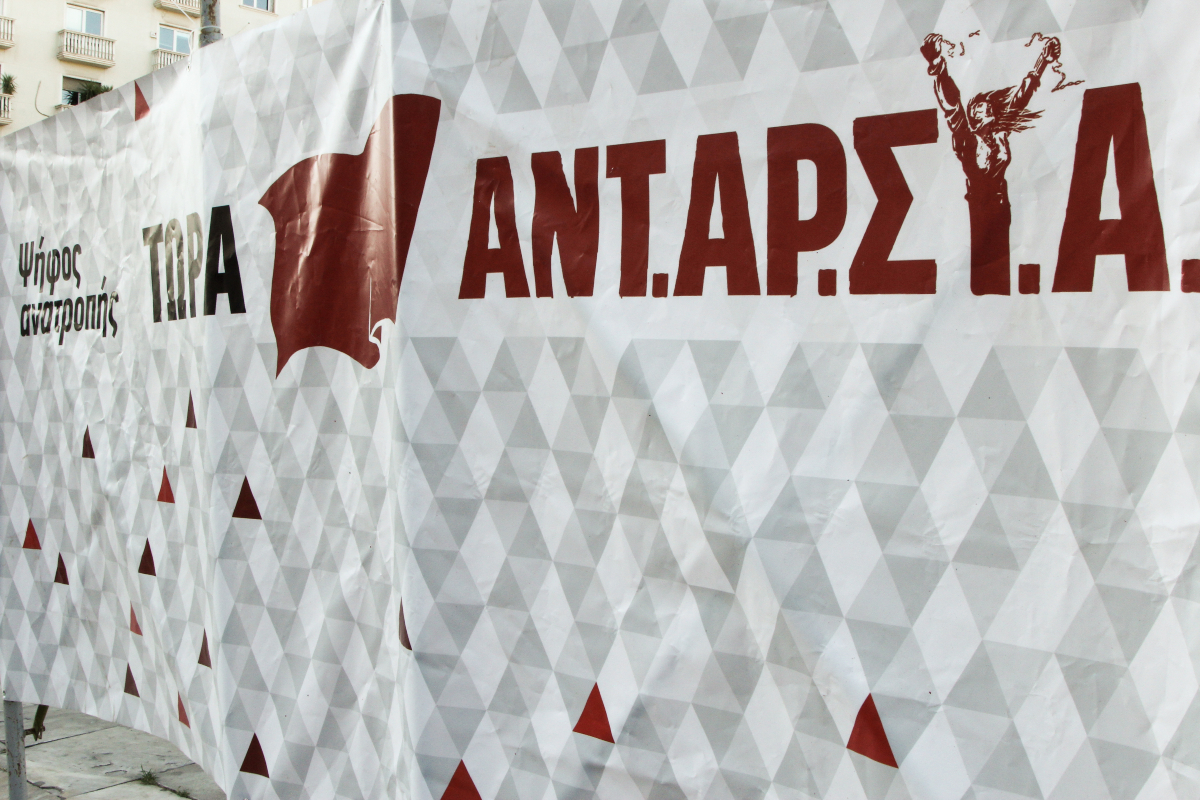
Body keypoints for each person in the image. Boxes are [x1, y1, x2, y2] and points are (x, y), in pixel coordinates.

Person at [921, 33, 1061, 295]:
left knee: (1001, 272)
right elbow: (952, 106)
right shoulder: (967, 140)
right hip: (981, 210)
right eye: (981, 108)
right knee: (985, 279)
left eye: (988, 108)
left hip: (1001, 208)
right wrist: (938, 66)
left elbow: (1021, 98)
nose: (987, 110)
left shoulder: (999, 135)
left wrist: (1043, 60)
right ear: (975, 116)